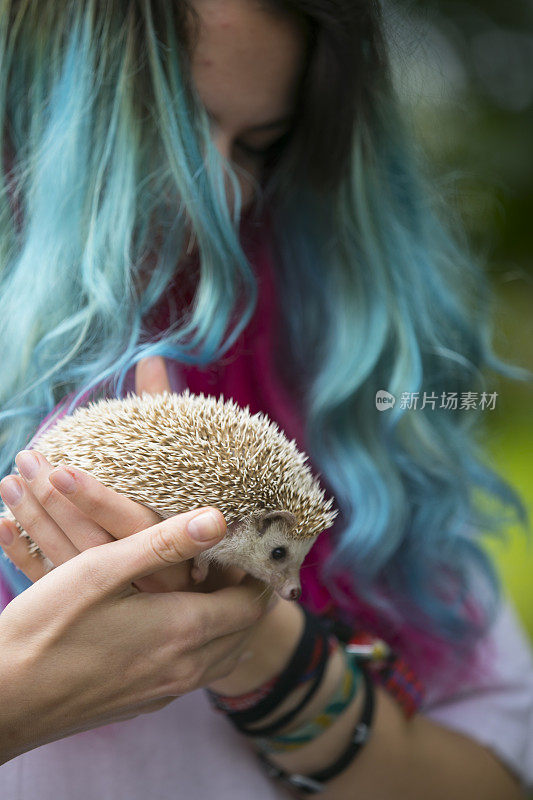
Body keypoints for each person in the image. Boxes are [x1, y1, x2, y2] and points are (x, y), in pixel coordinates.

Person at [0, 0, 532, 797]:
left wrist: (256, 644)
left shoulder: (349, 400)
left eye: (259, 147)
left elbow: (492, 776)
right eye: (169, 132)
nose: (221, 192)